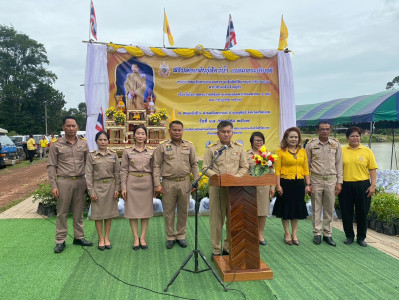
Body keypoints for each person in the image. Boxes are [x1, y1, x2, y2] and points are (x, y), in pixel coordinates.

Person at [202, 121, 249, 260]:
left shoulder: (239, 149)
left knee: (233, 220)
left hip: (235, 189)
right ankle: (216, 250)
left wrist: (236, 179)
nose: (226, 134)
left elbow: (244, 167)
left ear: (232, 133)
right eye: (223, 132)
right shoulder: (211, 149)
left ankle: (228, 248)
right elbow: (205, 167)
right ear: (218, 133)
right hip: (217, 189)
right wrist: (217, 178)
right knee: (216, 220)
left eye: (229, 131)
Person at [47, 116, 93, 253]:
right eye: (68, 126)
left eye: (74, 126)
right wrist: (53, 186)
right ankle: (60, 241)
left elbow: (88, 165)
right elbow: (51, 166)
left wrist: (88, 183)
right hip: (64, 181)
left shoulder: (83, 144)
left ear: (77, 127)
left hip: (80, 181)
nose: (71, 128)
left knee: (79, 211)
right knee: (62, 212)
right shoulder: (56, 145)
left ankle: (79, 237)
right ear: (63, 128)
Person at [153, 120, 199, 249]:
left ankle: (181, 235)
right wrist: (157, 184)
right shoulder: (162, 146)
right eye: (174, 130)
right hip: (168, 182)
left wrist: (196, 181)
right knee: (169, 211)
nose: (177, 132)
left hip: (185, 182)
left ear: (182, 131)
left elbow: (194, 164)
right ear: (169, 131)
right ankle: (170, 236)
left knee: (184, 210)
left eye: (180, 130)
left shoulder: (189, 146)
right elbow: (156, 165)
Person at [338, 127, 377, 247]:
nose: (355, 138)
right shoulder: (341, 150)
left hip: (363, 185)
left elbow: (372, 169)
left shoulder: (367, 151)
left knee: (362, 212)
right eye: (352, 136)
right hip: (345, 185)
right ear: (347, 138)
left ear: (360, 137)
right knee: (346, 212)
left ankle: (361, 237)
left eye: (357, 136)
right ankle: (349, 236)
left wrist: (373, 185)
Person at [306, 122, 343, 247]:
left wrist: (339, 182)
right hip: (316, 179)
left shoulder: (336, 144)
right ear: (317, 131)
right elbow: (306, 165)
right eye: (322, 129)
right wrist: (308, 183)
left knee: (329, 208)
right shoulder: (311, 144)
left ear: (330, 130)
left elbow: (339, 164)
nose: (325, 132)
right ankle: (317, 233)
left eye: (327, 129)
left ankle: (328, 234)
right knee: (316, 207)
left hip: (331, 180)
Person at [272, 127, 311, 246]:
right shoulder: (280, 151)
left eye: (296, 137)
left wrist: (308, 184)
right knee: (286, 208)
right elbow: (277, 170)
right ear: (286, 138)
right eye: (291, 137)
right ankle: (287, 233)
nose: (294, 139)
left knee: (296, 209)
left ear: (299, 139)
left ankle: (294, 234)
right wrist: (277, 185)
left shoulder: (302, 151)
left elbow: (306, 169)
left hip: (299, 183)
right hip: (285, 183)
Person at [86, 131, 121, 251]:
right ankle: (101, 238)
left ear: (108, 141)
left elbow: (117, 173)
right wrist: (91, 192)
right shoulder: (91, 156)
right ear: (96, 141)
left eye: (105, 140)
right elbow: (88, 175)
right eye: (100, 140)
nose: (103, 142)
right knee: (98, 215)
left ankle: (107, 237)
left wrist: (117, 188)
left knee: (109, 214)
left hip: (111, 187)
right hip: (97, 187)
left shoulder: (113, 155)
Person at [120, 125, 154, 250]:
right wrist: (123, 187)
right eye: (138, 133)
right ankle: (135, 238)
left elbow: (155, 169)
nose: (140, 136)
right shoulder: (127, 151)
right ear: (133, 135)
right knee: (132, 212)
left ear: (146, 136)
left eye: (143, 133)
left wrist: (156, 186)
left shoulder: (151, 151)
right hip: (132, 183)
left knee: (145, 212)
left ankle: (143, 238)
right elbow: (123, 170)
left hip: (147, 183)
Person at [246, 132, 275, 246]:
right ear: (252, 142)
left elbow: (272, 172)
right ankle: (250, 233)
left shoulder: (267, 155)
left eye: (261, 141)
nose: (259, 143)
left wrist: (272, 187)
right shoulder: (246, 154)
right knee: (250, 211)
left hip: (264, 188)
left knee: (262, 212)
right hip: (250, 187)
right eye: (257, 140)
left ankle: (260, 234)